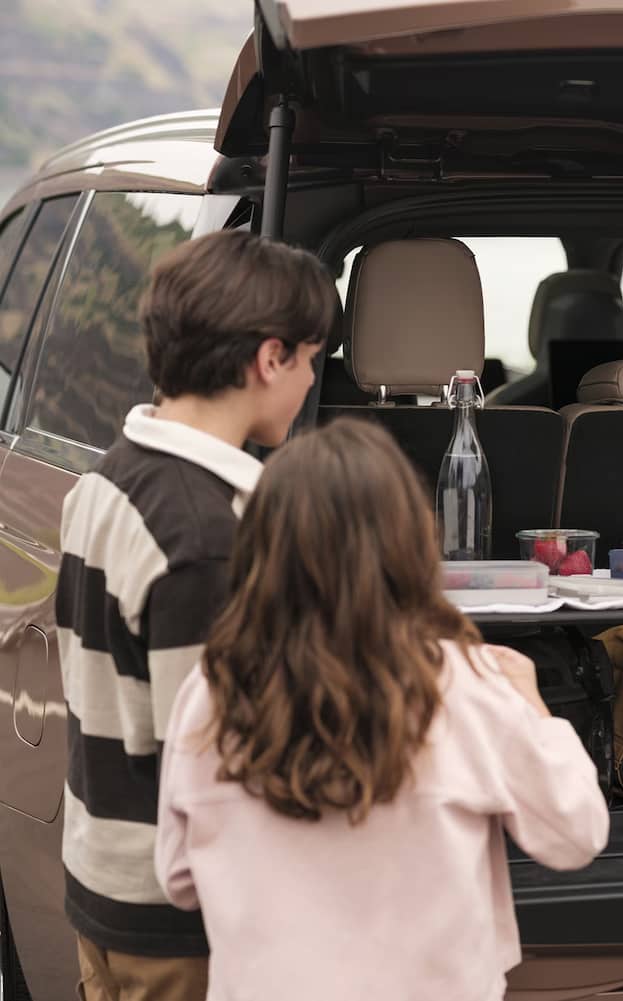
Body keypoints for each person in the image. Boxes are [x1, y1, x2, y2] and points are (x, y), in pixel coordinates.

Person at [155, 419, 611, 1001]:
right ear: (410, 545)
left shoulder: (211, 689)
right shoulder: (464, 683)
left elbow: (177, 879)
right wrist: (531, 701)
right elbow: (576, 835)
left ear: (262, 550)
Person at [55, 230, 338, 1000]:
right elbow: (215, 771)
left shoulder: (107, 478)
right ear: (269, 357)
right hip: (181, 923)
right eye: (311, 359)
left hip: (100, 880)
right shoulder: (208, 537)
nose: (312, 380)